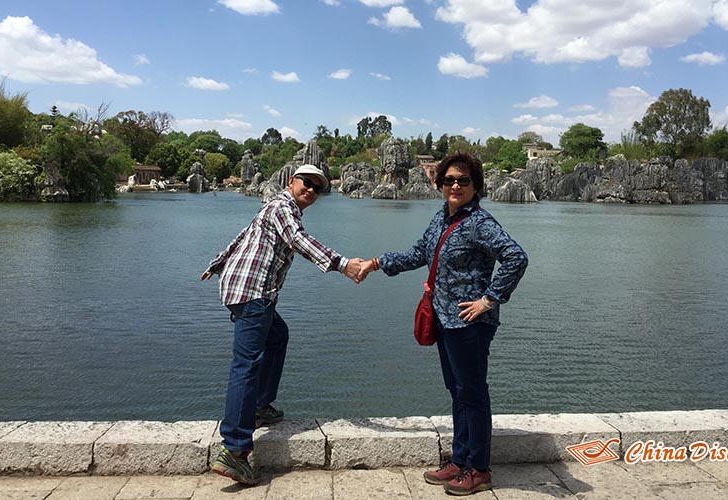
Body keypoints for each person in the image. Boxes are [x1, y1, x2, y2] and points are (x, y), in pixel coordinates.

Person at [358, 152, 528, 496]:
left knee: (474, 394)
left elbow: (516, 256)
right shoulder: (441, 219)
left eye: (463, 180)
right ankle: (460, 458)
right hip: (445, 320)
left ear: (475, 185)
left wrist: (489, 299)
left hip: (470, 323)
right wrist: (377, 263)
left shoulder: (479, 222)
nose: (455, 185)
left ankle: (479, 469)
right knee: (458, 391)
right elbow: (418, 253)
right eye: (449, 180)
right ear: (440, 184)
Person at [200, 164, 363, 486]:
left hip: (246, 292)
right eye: (307, 183)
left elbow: (243, 236)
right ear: (292, 182)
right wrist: (342, 264)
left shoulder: (272, 207)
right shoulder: (283, 207)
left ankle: (260, 406)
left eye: (319, 188)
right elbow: (297, 239)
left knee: (277, 337)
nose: (312, 190)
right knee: (245, 364)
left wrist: (217, 264)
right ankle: (234, 450)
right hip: (253, 293)